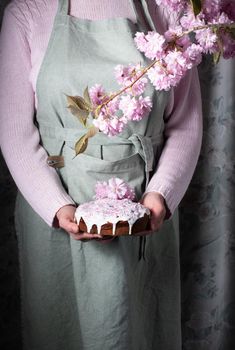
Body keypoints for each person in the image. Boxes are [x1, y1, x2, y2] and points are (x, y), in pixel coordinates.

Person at [0, 0, 203, 349]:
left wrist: (160, 196)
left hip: (144, 209)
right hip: (55, 208)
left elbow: (185, 124)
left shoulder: (168, 12)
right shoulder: (28, 12)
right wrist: (58, 207)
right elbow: (14, 131)